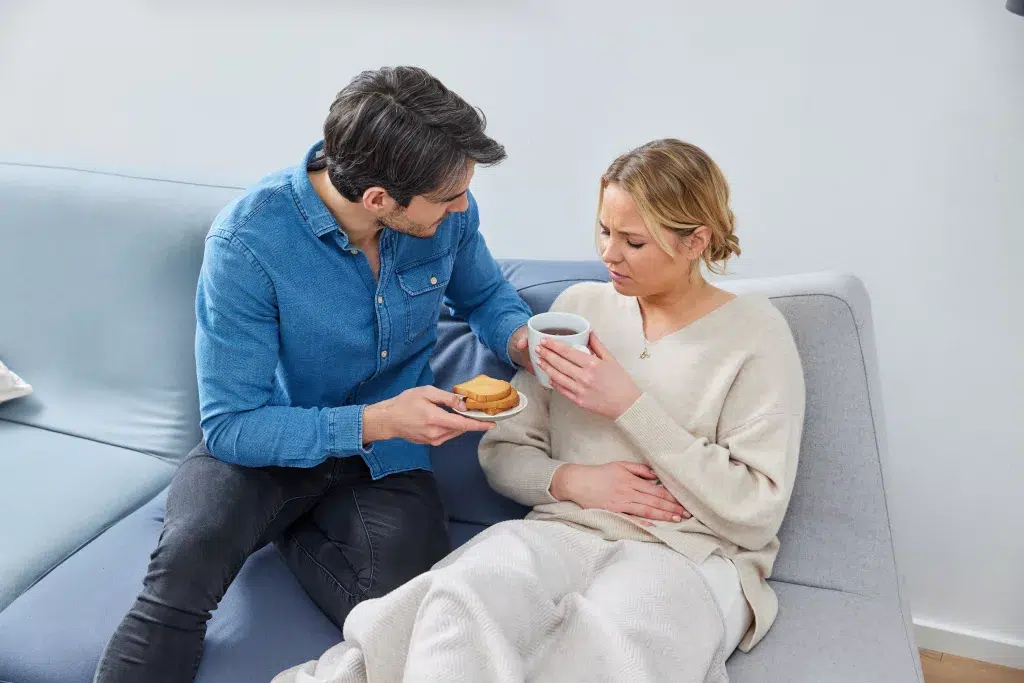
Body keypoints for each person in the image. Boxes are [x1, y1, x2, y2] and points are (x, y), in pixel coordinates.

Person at [273, 138, 807, 683]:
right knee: (459, 601)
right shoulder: (579, 311)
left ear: (696, 241)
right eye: (604, 230)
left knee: (612, 652)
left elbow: (756, 508)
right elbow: (504, 453)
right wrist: (571, 480)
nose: (608, 255)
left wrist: (629, 405)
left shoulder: (755, 335)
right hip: (559, 530)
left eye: (633, 242)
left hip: (686, 554)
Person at [94, 66, 535, 683]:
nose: (462, 205)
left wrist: (521, 339)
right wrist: (377, 419)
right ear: (378, 200)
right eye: (447, 196)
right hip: (266, 446)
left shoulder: (448, 215)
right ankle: (266, 520)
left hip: (386, 459)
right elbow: (232, 427)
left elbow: (486, 296)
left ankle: (284, 528)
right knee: (181, 576)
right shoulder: (248, 242)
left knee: (405, 618)